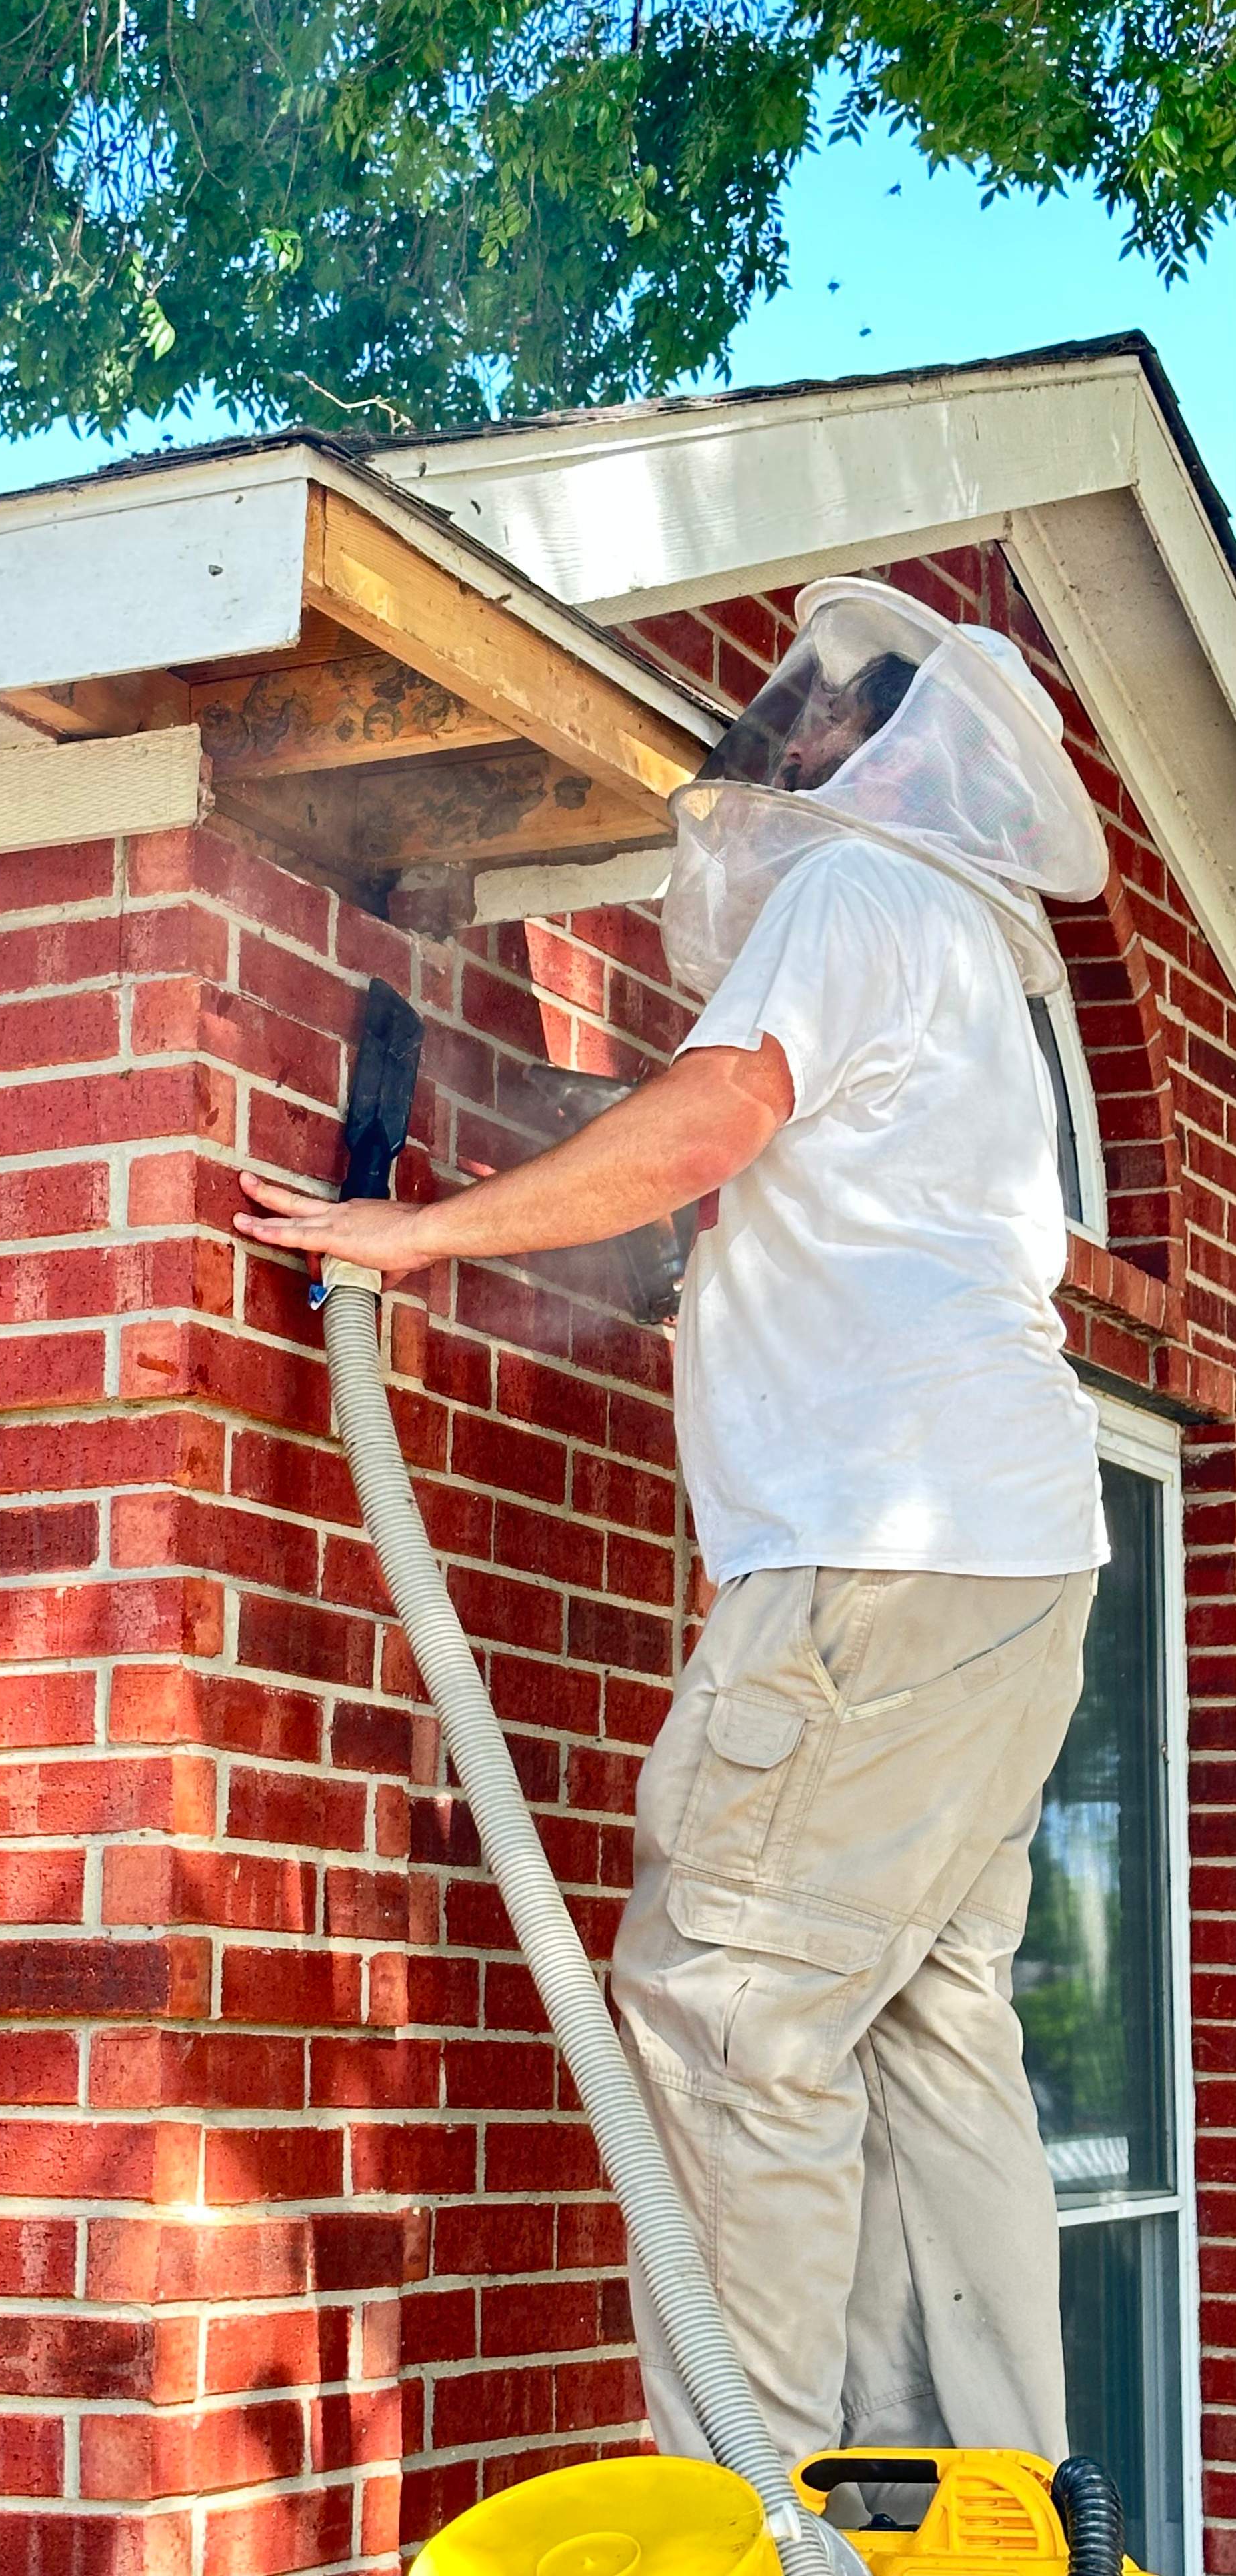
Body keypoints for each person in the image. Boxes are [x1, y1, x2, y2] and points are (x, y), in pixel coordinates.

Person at [235, 576, 1111, 2477]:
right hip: (1006, 1565)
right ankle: (957, 2493)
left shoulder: (854, 895)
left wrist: (417, 1231)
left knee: (731, 2013)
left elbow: (710, 1118)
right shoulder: (961, 958)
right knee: (914, 2027)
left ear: (885, 751)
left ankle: (764, 2515)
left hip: (881, 1564)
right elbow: (746, 1190)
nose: (780, 726)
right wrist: (548, 1165)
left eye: (823, 707)